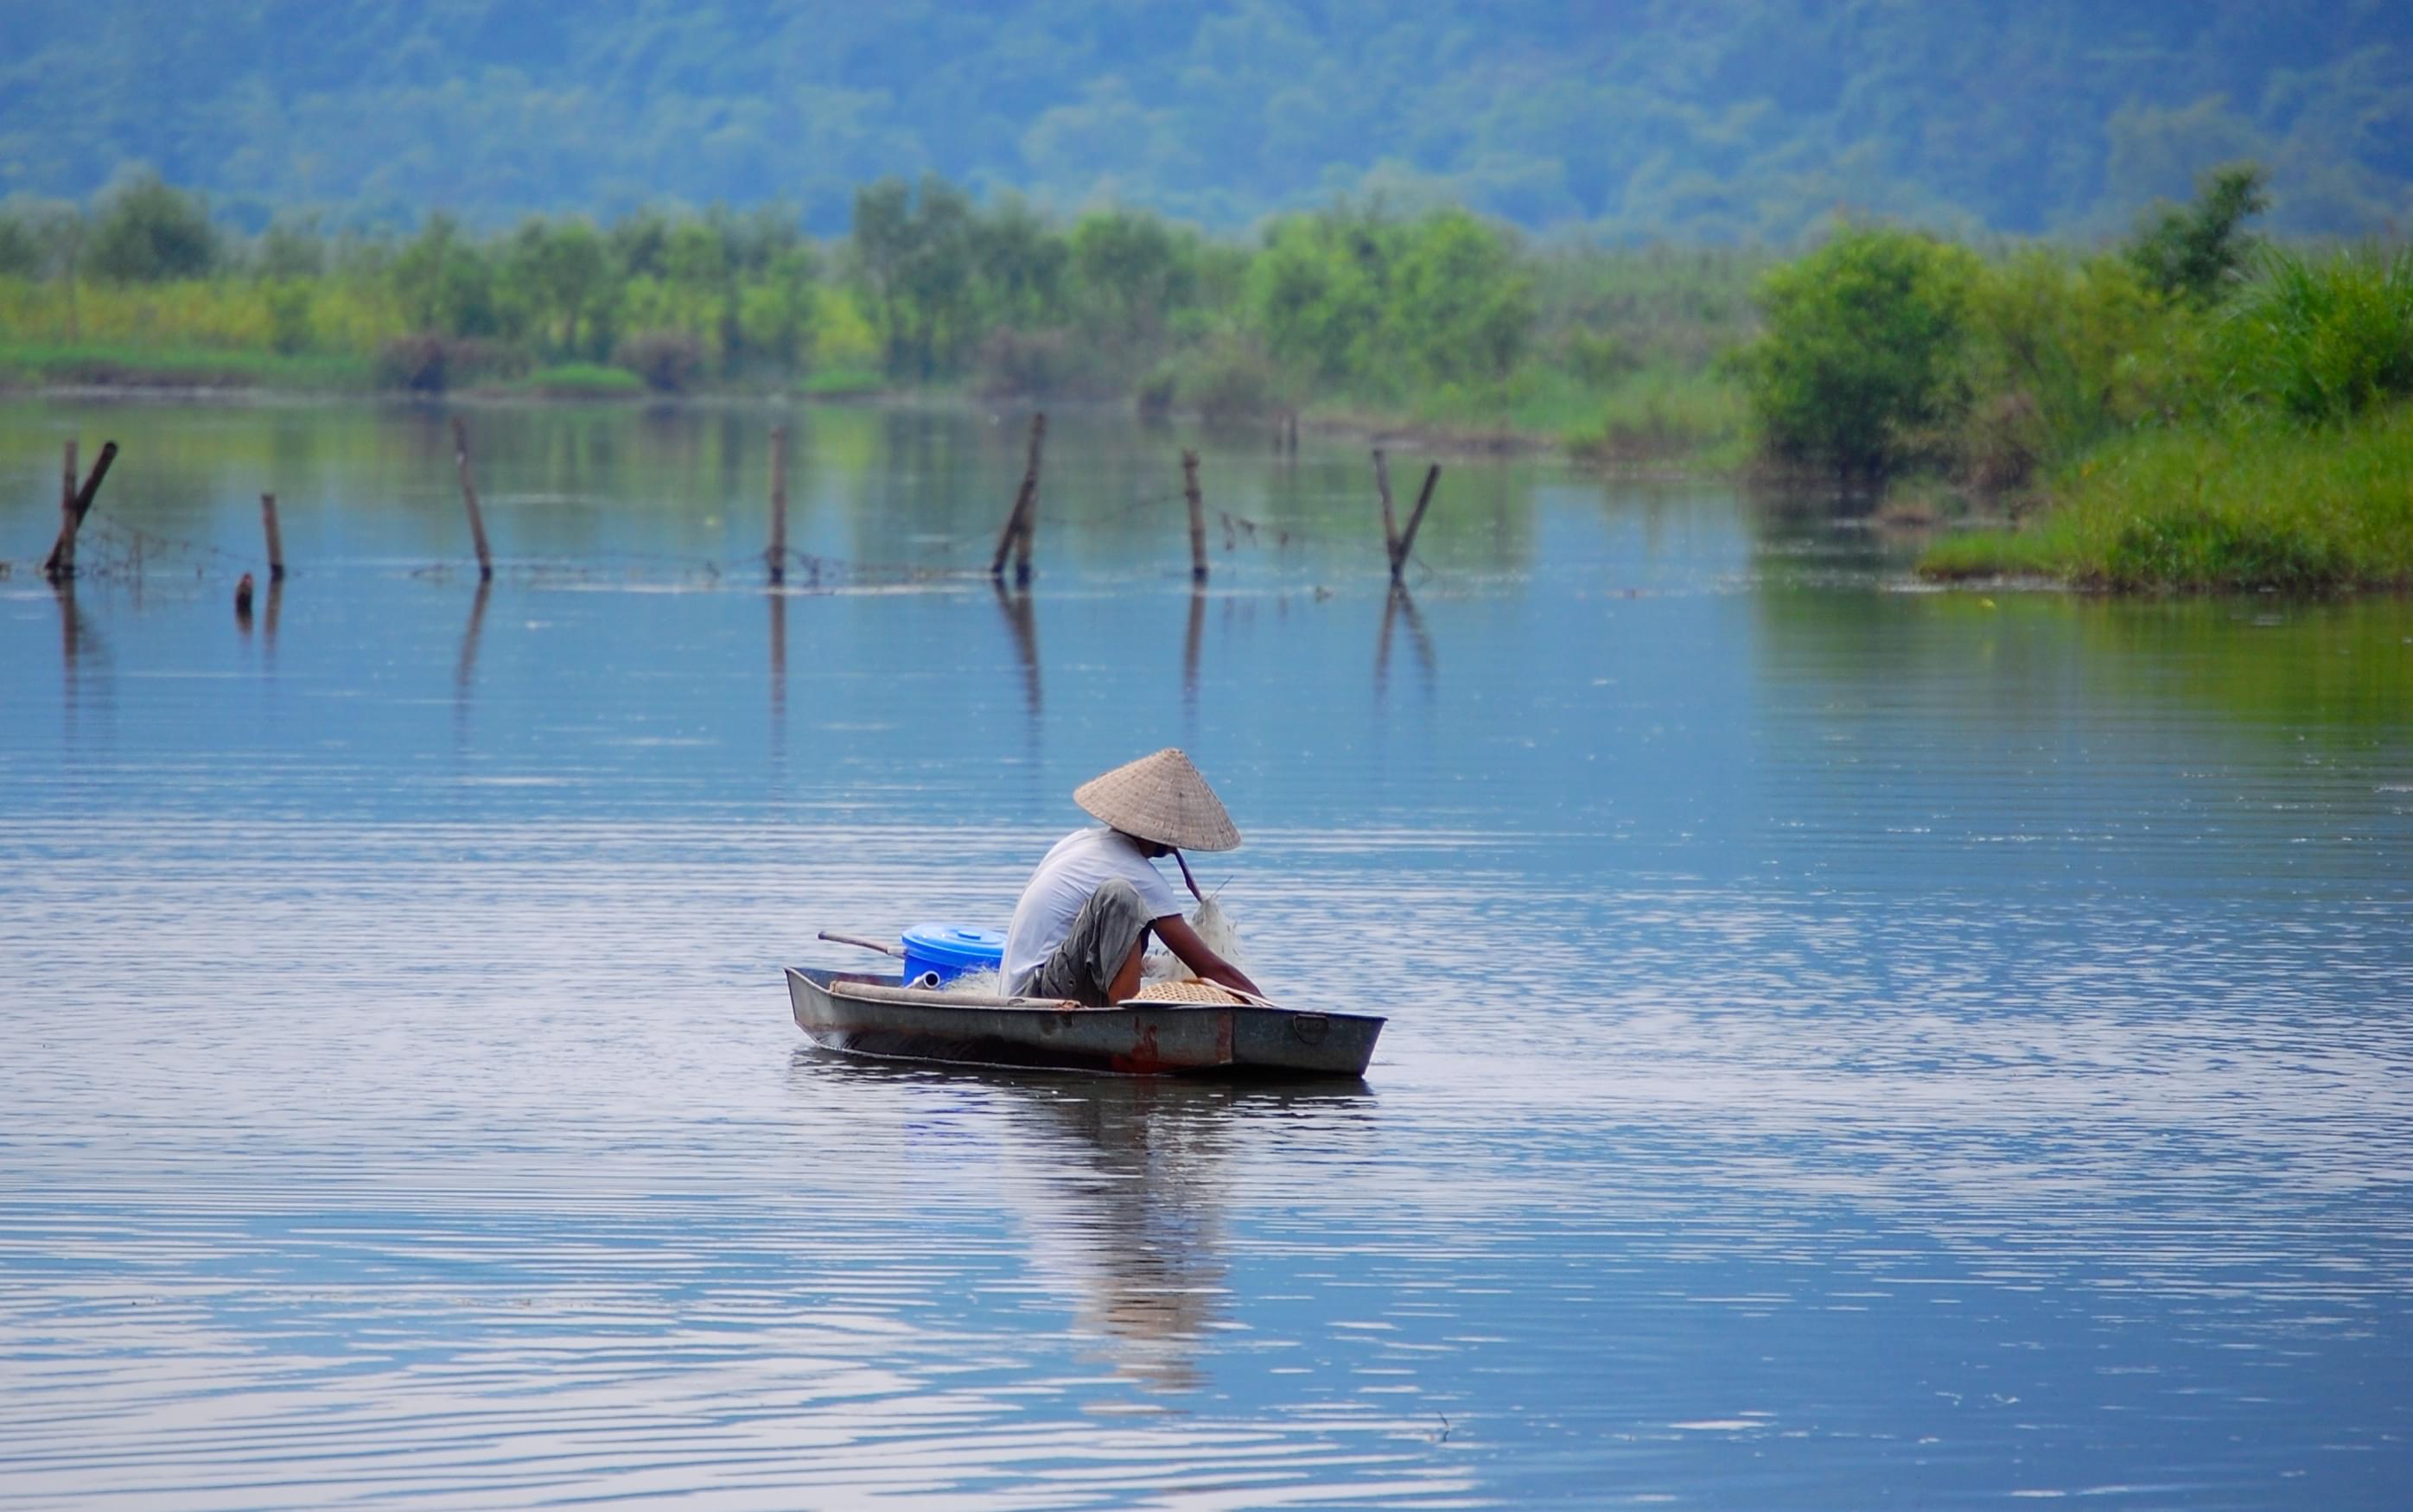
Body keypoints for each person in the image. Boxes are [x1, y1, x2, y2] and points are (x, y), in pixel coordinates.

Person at [1003, 748, 1263, 1006]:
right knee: (1120, 897)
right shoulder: (1138, 876)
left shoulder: (1078, 841)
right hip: (1035, 997)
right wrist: (1272, 1010)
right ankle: (1124, 1025)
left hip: (1016, 989)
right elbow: (1210, 968)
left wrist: (1157, 966)